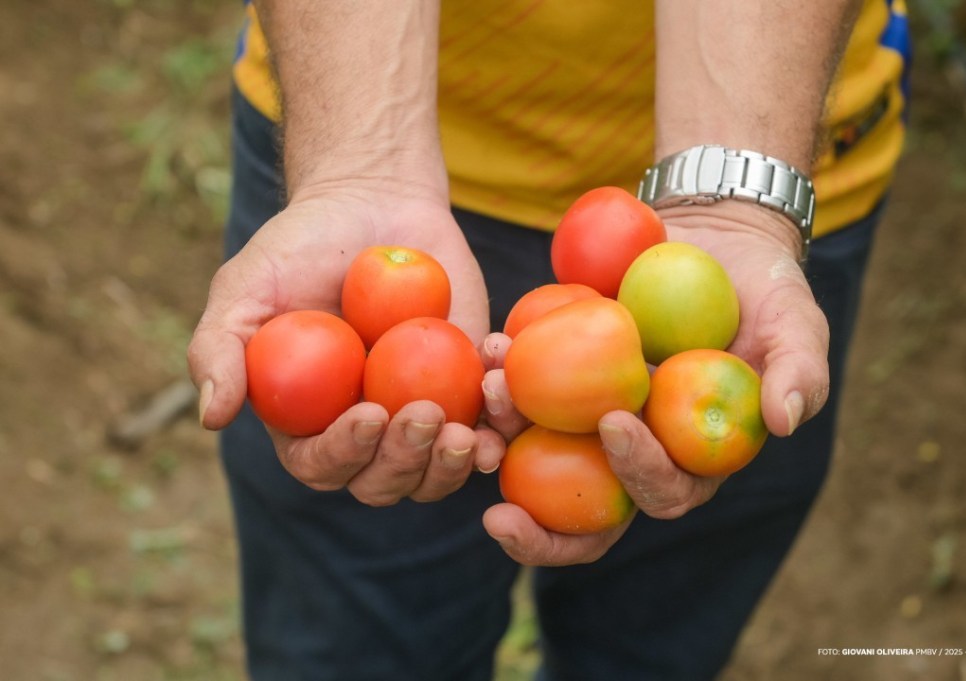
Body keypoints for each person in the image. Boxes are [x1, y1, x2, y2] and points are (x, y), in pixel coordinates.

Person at [187, 1, 911, 679]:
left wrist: (736, 207)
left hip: (767, 145)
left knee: (656, 641)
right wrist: (357, 160)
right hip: (358, 108)